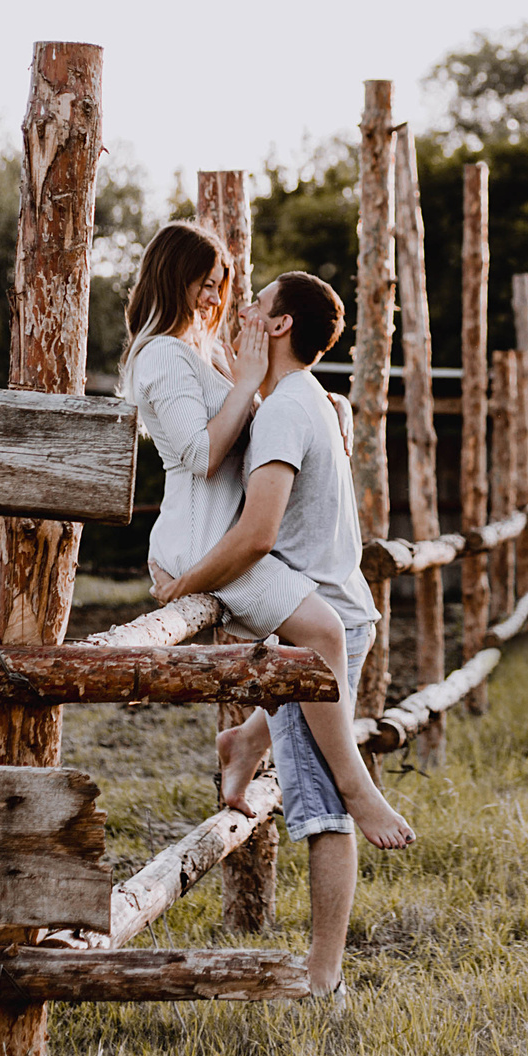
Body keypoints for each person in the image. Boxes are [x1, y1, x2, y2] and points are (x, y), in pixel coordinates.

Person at [151, 270, 415, 999]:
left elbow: (258, 532)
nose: (241, 309)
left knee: (327, 807)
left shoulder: (280, 414)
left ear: (278, 326)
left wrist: (186, 580)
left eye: (256, 303)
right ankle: (245, 741)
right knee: (309, 756)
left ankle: (323, 978)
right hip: (345, 612)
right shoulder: (312, 400)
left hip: (317, 639)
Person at [121, 223, 268, 607]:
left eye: (218, 287)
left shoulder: (210, 352)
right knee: (329, 633)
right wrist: (245, 385)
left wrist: (332, 404)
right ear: (174, 279)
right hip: (197, 544)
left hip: (226, 540)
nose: (215, 300)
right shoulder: (163, 354)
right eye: (206, 285)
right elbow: (202, 456)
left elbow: (267, 420)